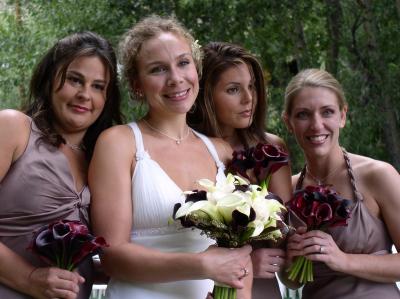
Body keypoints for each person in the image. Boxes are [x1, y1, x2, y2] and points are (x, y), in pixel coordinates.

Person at [88, 15, 253, 299]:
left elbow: (240, 256)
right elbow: (111, 255)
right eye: (157, 69)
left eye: (183, 63)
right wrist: (201, 265)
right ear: (137, 84)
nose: (175, 78)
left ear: (196, 69)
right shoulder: (119, 143)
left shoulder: (222, 152)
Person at [0, 31, 123, 299]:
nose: (85, 94)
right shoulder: (14, 128)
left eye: (98, 86)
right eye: (74, 80)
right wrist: (30, 279)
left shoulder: (103, 158)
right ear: (49, 79)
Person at [282, 68, 400, 298]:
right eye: (303, 115)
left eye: (327, 112)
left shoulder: (378, 176)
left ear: (343, 116)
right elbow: (292, 281)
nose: (316, 125)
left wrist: (343, 260)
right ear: (288, 122)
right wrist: (291, 260)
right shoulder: (289, 189)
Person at [188, 41, 292, 299]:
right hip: (190, 284)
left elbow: (284, 235)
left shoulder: (270, 149)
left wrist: (250, 261)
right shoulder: (184, 147)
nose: (249, 99)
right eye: (233, 89)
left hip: (259, 289)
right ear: (205, 95)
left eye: (252, 87)